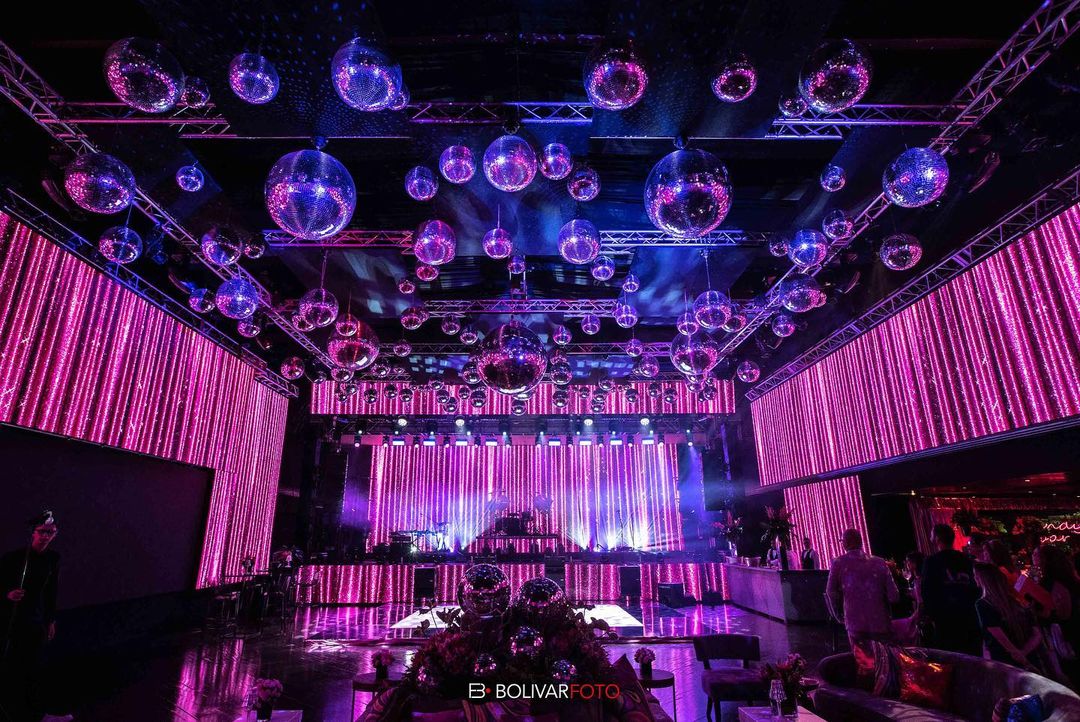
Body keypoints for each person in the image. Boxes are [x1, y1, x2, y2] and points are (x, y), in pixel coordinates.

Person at [1, 511, 61, 721]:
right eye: (42, 531)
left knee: (34, 666)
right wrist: (7, 594)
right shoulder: (14, 558)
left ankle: (36, 714)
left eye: (50, 532)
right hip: (12, 619)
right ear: (33, 533)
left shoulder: (53, 559)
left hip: (35, 618)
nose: (46, 536)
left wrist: (50, 619)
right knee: (13, 666)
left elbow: (51, 590)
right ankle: (15, 712)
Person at [973, 562, 1064, 681]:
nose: (974, 578)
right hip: (1031, 657)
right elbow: (1037, 634)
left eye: (975, 575)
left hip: (1006, 663)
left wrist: (1019, 656)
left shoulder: (983, 605)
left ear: (981, 579)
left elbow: (1001, 639)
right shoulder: (1017, 601)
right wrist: (1024, 653)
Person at [827, 528, 899, 650]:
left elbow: (830, 591)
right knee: (884, 659)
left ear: (845, 543)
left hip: (855, 624)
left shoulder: (838, 563)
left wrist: (838, 616)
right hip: (881, 624)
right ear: (861, 542)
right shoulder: (880, 562)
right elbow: (894, 596)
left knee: (862, 660)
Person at [920, 523, 981, 655]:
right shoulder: (966, 559)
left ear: (937, 538)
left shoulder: (931, 562)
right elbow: (976, 587)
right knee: (973, 658)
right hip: (969, 616)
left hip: (945, 619)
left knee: (950, 659)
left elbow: (927, 592)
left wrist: (932, 616)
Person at [1034, 543, 1080, 684]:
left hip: (1067, 633)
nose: (1033, 557)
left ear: (1044, 560)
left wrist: (1041, 614)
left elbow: (1061, 614)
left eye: (1036, 555)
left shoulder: (1049, 583)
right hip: (1074, 628)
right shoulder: (1070, 577)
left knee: (1073, 671)